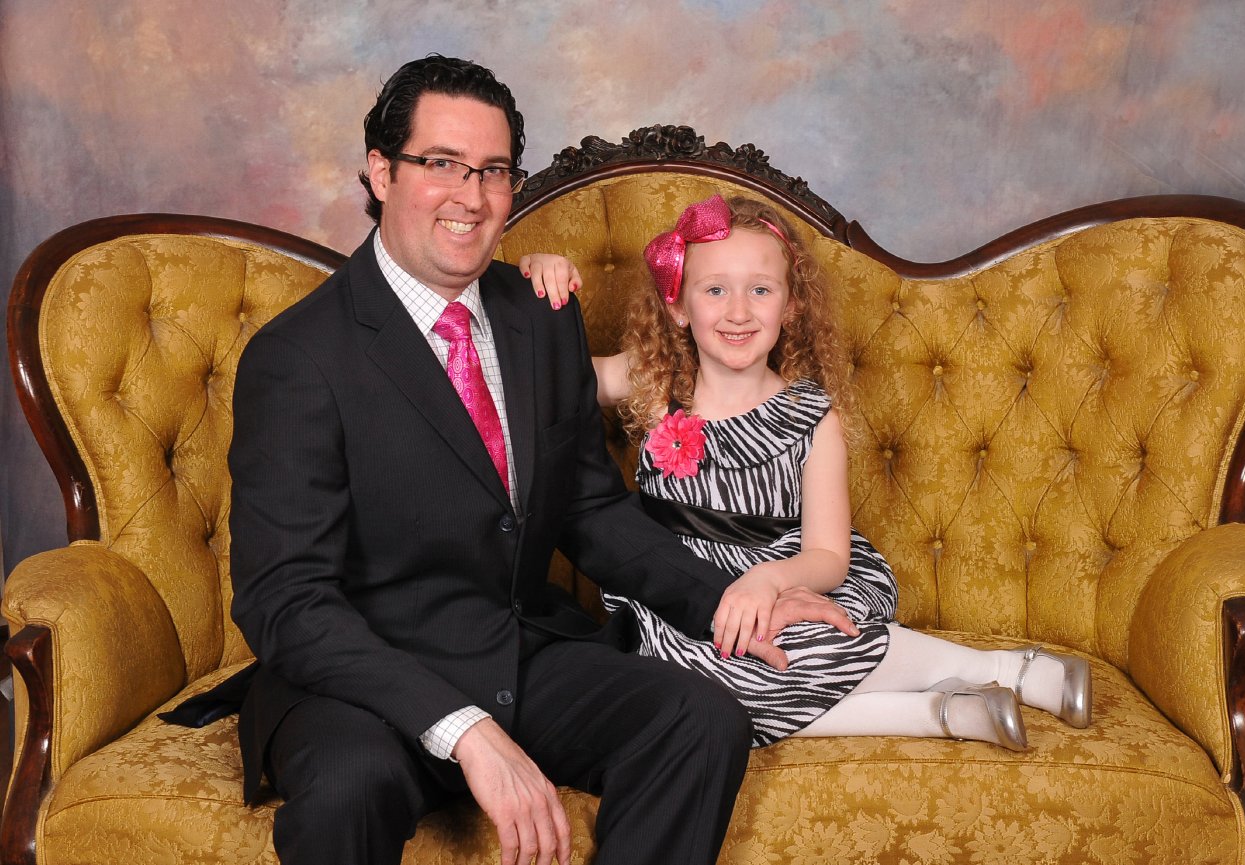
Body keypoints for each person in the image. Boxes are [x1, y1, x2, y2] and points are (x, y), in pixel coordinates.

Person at [210, 56, 860, 865]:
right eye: (441, 163)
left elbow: (591, 508)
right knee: (349, 786)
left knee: (699, 719)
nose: (471, 195)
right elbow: (285, 599)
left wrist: (728, 598)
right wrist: (467, 730)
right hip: (364, 678)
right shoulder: (298, 356)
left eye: (492, 171)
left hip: (519, 650)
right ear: (381, 172)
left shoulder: (540, 315)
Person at [521, 194, 1093, 750]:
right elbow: (550, 373)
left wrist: (768, 582)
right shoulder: (650, 382)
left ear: (791, 304)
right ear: (677, 306)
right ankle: (941, 712)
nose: (738, 311)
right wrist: (540, 282)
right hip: (679, 591)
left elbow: (827, 555)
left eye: (761, 290)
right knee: (695, 688)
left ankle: (1009, 669)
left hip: (789, 577)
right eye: (715, 290)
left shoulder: (812, 417)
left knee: (792, 639)